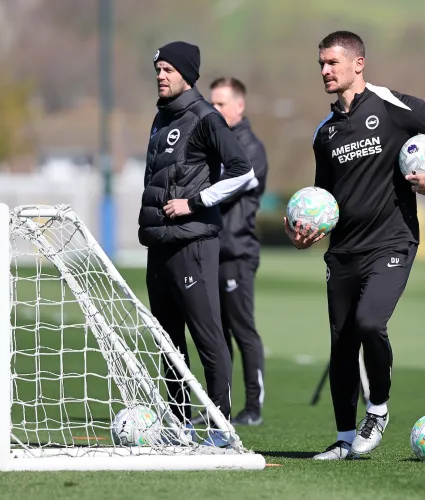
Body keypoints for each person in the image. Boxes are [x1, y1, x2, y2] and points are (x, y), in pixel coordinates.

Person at [284, 31, 425, 460]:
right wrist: (304, 234)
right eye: (321, 64)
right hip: (343, 251)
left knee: (370, 323)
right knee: (342, 344)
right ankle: (343, 439)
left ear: (358, 64)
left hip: (391, 241)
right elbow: (323, 199)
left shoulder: (389, 106)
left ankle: (378, 409)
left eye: (332, 62)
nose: (325, 70)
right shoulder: (324, 133)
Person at [139, 41, 255, 447]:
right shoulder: (161, 118)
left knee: (207, 338)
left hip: (194, 245)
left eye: (168, 69)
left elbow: (242, 171)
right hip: (159, 244)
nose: (161, 75)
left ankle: (221, 428)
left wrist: (194, 203)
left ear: (187, 74)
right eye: (158, 69)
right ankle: (179, 426)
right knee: (168, 343)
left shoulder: (206, 117)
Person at [190, 77, 269, 427]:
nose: (215, 109)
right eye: (212, 103)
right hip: (210, 251)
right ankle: (218, 408)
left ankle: (252, 408)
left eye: (221, 104)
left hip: (237, 251)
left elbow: (224, 188)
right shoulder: (214, 142)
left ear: (240, 106)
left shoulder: (251, 148)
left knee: (241, 330)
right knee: (215, 333)